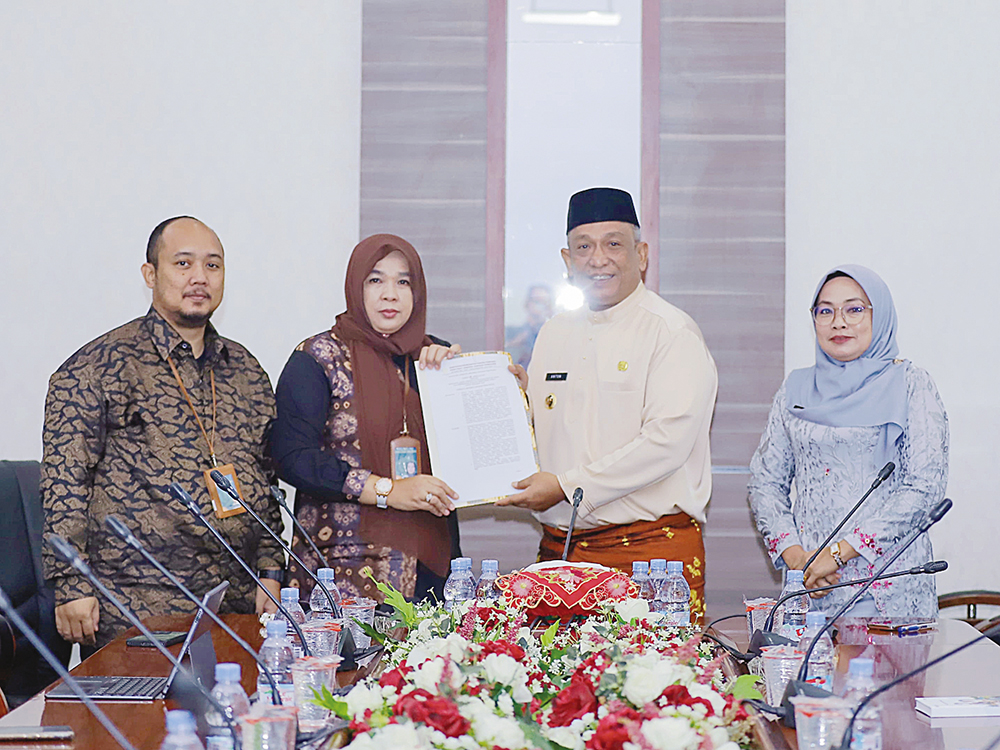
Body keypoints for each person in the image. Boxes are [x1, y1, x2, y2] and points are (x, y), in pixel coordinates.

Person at [41, 216, 283, 650]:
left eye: (212, 265)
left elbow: (264, 480)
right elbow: (65, 481)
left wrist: (270, 569)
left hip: (236, 602)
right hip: (135, 606)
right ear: (150, 274)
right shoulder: (98, 367)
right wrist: (70, 583)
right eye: (183, 263)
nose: (199, 277)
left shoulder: (245, 370)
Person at [497, 187, 718, 621]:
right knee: (548, 668)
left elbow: (665, 444)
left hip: (649, 557)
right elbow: (548, 433)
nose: (598, 259)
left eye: (613, 244)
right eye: (584, 247)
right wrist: (512, 404)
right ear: (567, 261)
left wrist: (566, 486)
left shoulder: (671, 332)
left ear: (642, 254)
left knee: (652, 669)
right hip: (561, 554)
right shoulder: (554, 332)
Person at [748, 265, 948, 619]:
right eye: (825, 311)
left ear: (879, 315)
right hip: (809, 587)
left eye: (854, 309)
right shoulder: (795, 389)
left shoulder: (910, 385)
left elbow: (924, 487)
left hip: (887, 588)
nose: (838, 322)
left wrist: (840, 553)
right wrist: (797, 558)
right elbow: (765, 482)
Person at [270, 234, 462, 603]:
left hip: (430, 565)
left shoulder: (433, 360)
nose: (390, 294)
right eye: (376, 280)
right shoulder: (317, 358)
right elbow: (292, 458)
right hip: (343, 571)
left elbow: (471, 453)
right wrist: (387, 490)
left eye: (403, 282)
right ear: (356, 287)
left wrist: (498, 389)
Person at [504, 284, 554, 368]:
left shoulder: (555, 335)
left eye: (544, 302)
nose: (540, 306)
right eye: (536, 301)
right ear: (527, 303)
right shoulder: (511, 333)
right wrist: (514, 344)